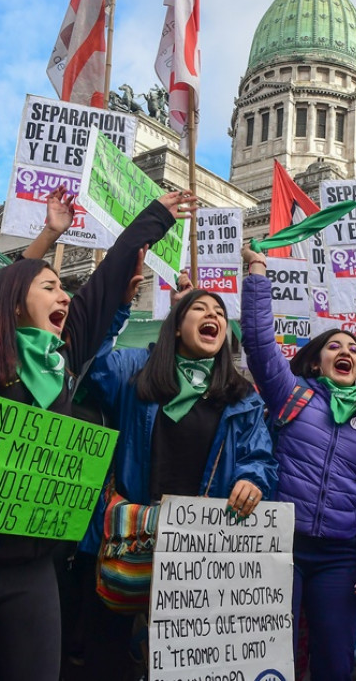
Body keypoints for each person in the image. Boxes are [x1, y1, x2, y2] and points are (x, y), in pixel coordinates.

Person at [0, 187, 191, 681]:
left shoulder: (64, 359)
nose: (64, 295)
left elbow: (106, 282)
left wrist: (154, 219)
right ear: (14, 300)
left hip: (33, 566)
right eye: (50, 287)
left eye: (64, 289)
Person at [75, 280, 278, 679]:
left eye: (220, 313)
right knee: (109, 656)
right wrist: (119, 304)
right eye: (201, 309)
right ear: (176, 325)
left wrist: (253, 479)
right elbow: (91, 365)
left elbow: (261, 458)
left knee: (185, 664)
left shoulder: (242, 397)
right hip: (129, 537)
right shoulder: (136, 369)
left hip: (198, 552)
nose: (214, 317)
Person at [241, 244, 356, 681]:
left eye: (353, 347)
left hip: (337, 558)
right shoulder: (291, 393)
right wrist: (257, 271)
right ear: (317, 360)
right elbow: (256, 342)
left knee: (335, 661)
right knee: (274, 658)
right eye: (335, 345)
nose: (346, 350)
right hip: (279, 549)